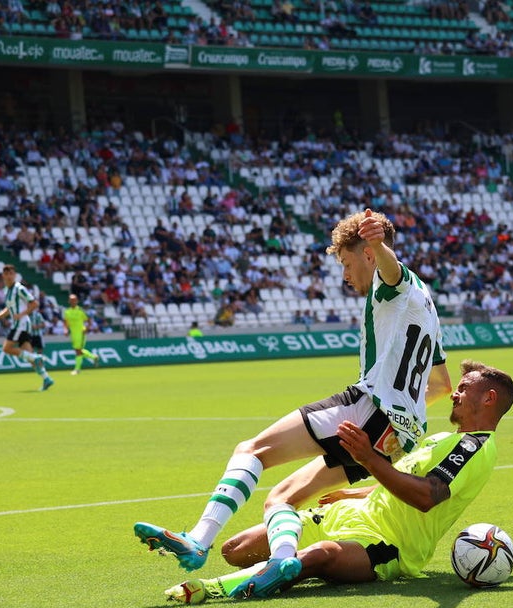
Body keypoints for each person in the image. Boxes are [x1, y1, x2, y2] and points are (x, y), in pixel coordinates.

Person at [135, 208, 452, 576]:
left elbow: (391, 269)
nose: (345, 275)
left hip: (366, 410)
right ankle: (284, 560)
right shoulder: (425, 303)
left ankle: (198, 539)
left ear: (368, 255)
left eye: (347, 264)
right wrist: (396, 416)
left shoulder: (390, 282)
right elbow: (441, 385)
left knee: (252, 451)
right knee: (282, 498)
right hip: (397, 438)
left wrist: (378, 244)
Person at [165, 359, 513, 603]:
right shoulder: (442, 439)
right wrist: (356, 494)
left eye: (464, 388)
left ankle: (212, 588)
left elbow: (426, 496)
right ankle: (287, 567)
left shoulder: (473, 447)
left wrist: (368, 458)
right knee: (235, 550)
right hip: (349, 515)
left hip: (389, 542)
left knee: (318, 556)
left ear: (489, 398)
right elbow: (407, 479)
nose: (454, 393)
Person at [0, 265, 55, 391]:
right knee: (29, 356)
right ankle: (46, 379)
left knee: (6, 348)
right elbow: (9, 309)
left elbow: (34, 303)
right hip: (20, 324)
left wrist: (22, 314)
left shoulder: (19, 288)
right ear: (3, 276)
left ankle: (36, 357)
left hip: (21, 324)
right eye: (7, 274)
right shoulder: (7, 290)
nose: (9, 276)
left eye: (11, 274)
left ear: (15, 275)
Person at [62, 293, 100, 375]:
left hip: (81, 333)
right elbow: (65, 323)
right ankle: (94, 357)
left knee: (78, 351)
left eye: (74, 300)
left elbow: (89, 321)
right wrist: (65, 330)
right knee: (78, 351)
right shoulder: (67, 312)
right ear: (69, 301)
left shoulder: (80, 311)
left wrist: (86, 328)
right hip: (73, 334)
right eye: (71, 300)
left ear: (77, 301)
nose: (73, 301)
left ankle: (77, 369)